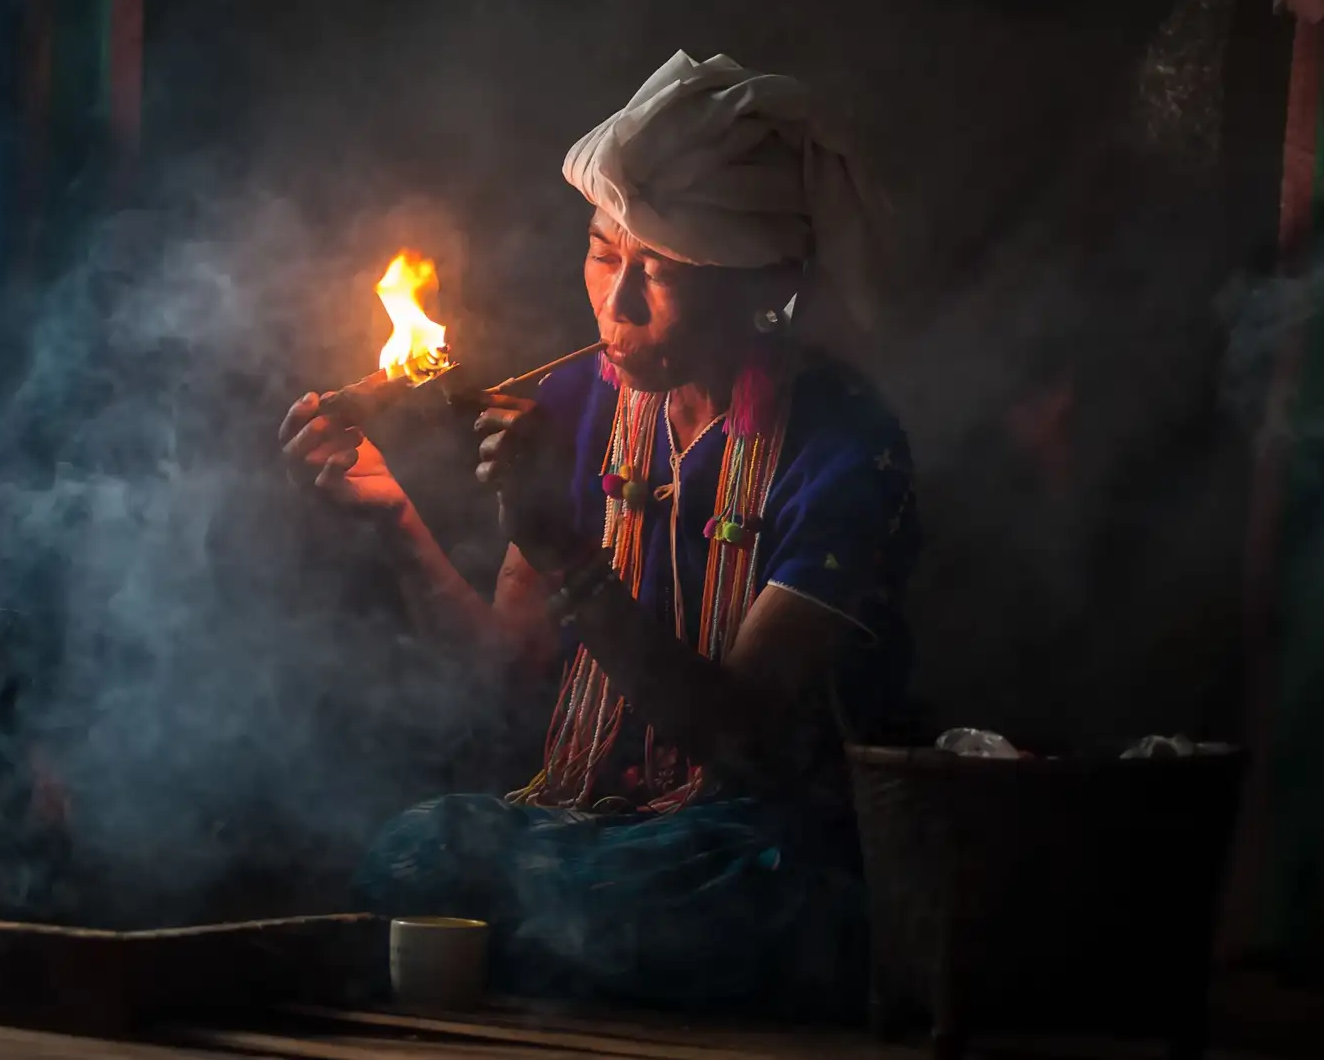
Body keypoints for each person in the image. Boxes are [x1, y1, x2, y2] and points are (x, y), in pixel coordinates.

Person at [279, 51, 920, 1019]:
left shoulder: (846, 443)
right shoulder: (578, 401)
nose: (616, 303)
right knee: (414, 853)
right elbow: (512, 669)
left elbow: (743, 740)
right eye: (602, 253)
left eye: (657, 272)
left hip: (759, 837)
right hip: (590, 827)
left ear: (765, 287)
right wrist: (393, 514)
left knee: (721, 893)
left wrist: (565, 548)